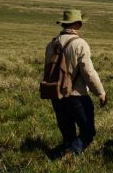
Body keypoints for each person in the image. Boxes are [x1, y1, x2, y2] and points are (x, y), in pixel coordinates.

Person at [44, 9, 107, 155]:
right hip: (77, 95)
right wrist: (100, 93)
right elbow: (88, 72)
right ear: (78, 24)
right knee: (88, 131)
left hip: (56, 93)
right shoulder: (80, 44)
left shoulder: (51, 44)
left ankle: (65, 155)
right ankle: (71, 154)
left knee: (67, 132)